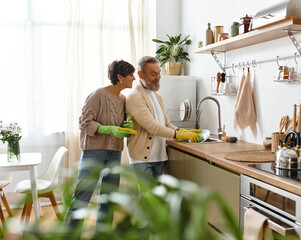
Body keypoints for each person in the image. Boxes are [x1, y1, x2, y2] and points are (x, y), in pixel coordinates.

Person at [65, 60, 135, 229]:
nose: (133, 78)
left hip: (115, 151)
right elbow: (84, 122)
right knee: (83, 194)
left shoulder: (123, 98)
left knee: (109, 196)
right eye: (130, 74)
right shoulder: (98, 95)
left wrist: (126, 126)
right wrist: (109, 129)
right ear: (119, 77)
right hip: (94, 151)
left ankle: (103, 232)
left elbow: (118, 124)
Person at [125, 56, 201, 178]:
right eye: (154, 74)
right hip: (142, 160)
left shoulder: (157, 96)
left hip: (159, 157)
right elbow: (152, 126)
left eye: (159, 73)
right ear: (140, 74)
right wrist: (178, 135)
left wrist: (180, 130)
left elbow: (166, 123)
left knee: (157, 197)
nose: (158, 77)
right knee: (147, 197)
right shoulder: (134, 96)